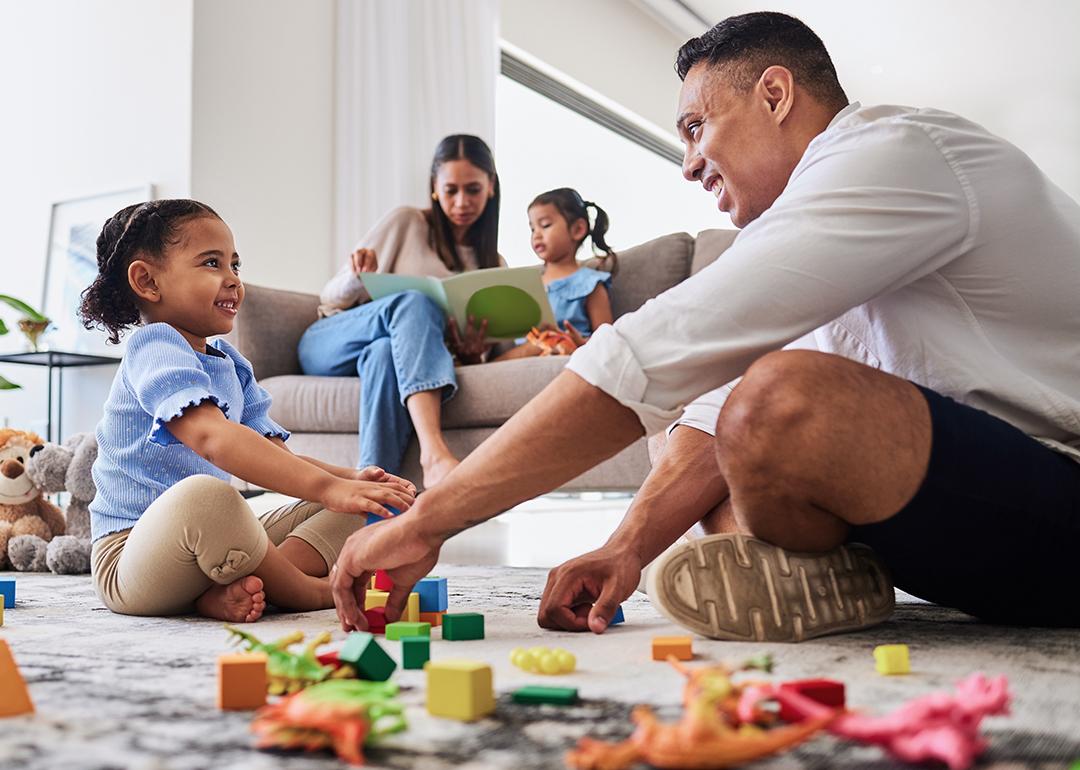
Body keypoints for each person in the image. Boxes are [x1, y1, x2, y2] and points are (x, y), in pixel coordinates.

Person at [327, 12, 1080, 639]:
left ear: (776, 94)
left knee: (782, 404)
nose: (688, 164)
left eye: (697, 127)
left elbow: (657, 352)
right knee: (717, 453)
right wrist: (622, 549)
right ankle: (842, 582)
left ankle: (829, 573)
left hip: (1056, 496)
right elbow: (711, 407)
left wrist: (428, 522)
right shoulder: (813, 239)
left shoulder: (898, 154)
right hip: (972, 522)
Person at [80, 199, 415, 623]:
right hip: (130, 559)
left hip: (210, 546)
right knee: (208, 497)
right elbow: (213, 439)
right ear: (147, 281)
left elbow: (278, 459)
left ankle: (235, 588)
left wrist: (350, 480)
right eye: (211, 263)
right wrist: (331, 487)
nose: (233, 280)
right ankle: (310, 590)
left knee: (372, 504)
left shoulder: (232, 364)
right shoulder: (155, 347)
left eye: (235, 265)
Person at [299, 135, 500, 489]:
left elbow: (483, 352)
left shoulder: (493, 265)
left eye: (473, 190)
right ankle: (434, 454)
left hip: (386, 355)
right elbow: (330, 297)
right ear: (434, 189)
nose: (461, 202)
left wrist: (472, 353)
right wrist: (357, 278)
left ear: (491, 187)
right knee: (415, 300)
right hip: (331, 342)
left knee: (384, 354)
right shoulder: (406, 222)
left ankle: (373, 505)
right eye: (451, 190)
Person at [496, 188, 616, 361]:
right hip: (527, 354)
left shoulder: (590, 284)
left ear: (578, 229)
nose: (536, 234)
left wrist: (580, 343)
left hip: (568, 351)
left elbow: (607, 343)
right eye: (532, 229)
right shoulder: (530, 285)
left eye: (545, 225)